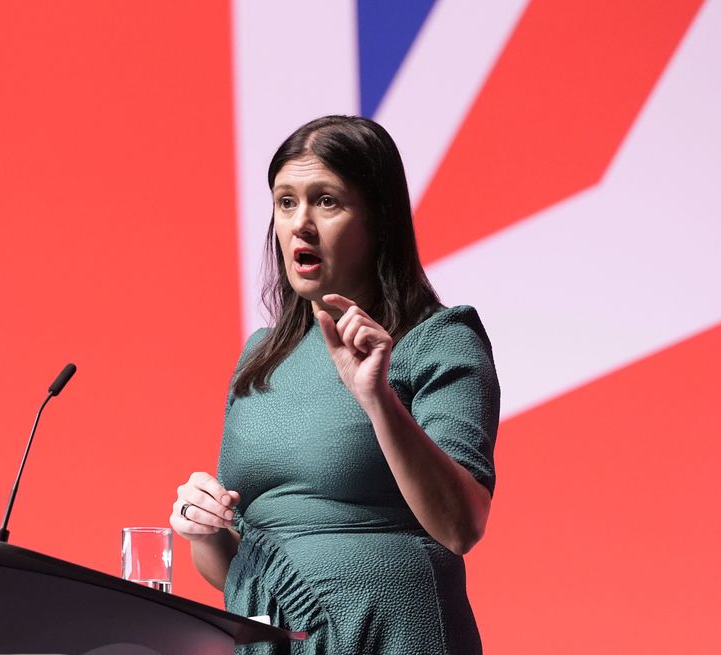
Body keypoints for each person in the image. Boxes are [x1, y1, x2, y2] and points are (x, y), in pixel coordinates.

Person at [170, 115, 499, 654]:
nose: (300, 223)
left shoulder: (438, 339)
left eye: (326, 201)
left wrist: (378, 399)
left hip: (389, 635)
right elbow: (242, 568)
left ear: (379, 221)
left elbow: (461, 525)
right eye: (285, 202)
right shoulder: (260, 355)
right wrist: (204, 529)